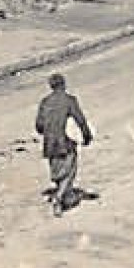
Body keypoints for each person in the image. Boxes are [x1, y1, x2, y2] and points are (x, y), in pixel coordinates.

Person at [35, 72, 93, 216]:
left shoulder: (45, 102)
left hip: (49, 143)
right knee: (70, 169)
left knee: (58, 172)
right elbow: (80, 120)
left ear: (51, 86)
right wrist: (87, 136)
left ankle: (65, 195)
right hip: (63, 142)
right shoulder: (69, 100)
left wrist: (49, 130)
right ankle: (59, 198)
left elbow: (39, 126)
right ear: (64, 85)